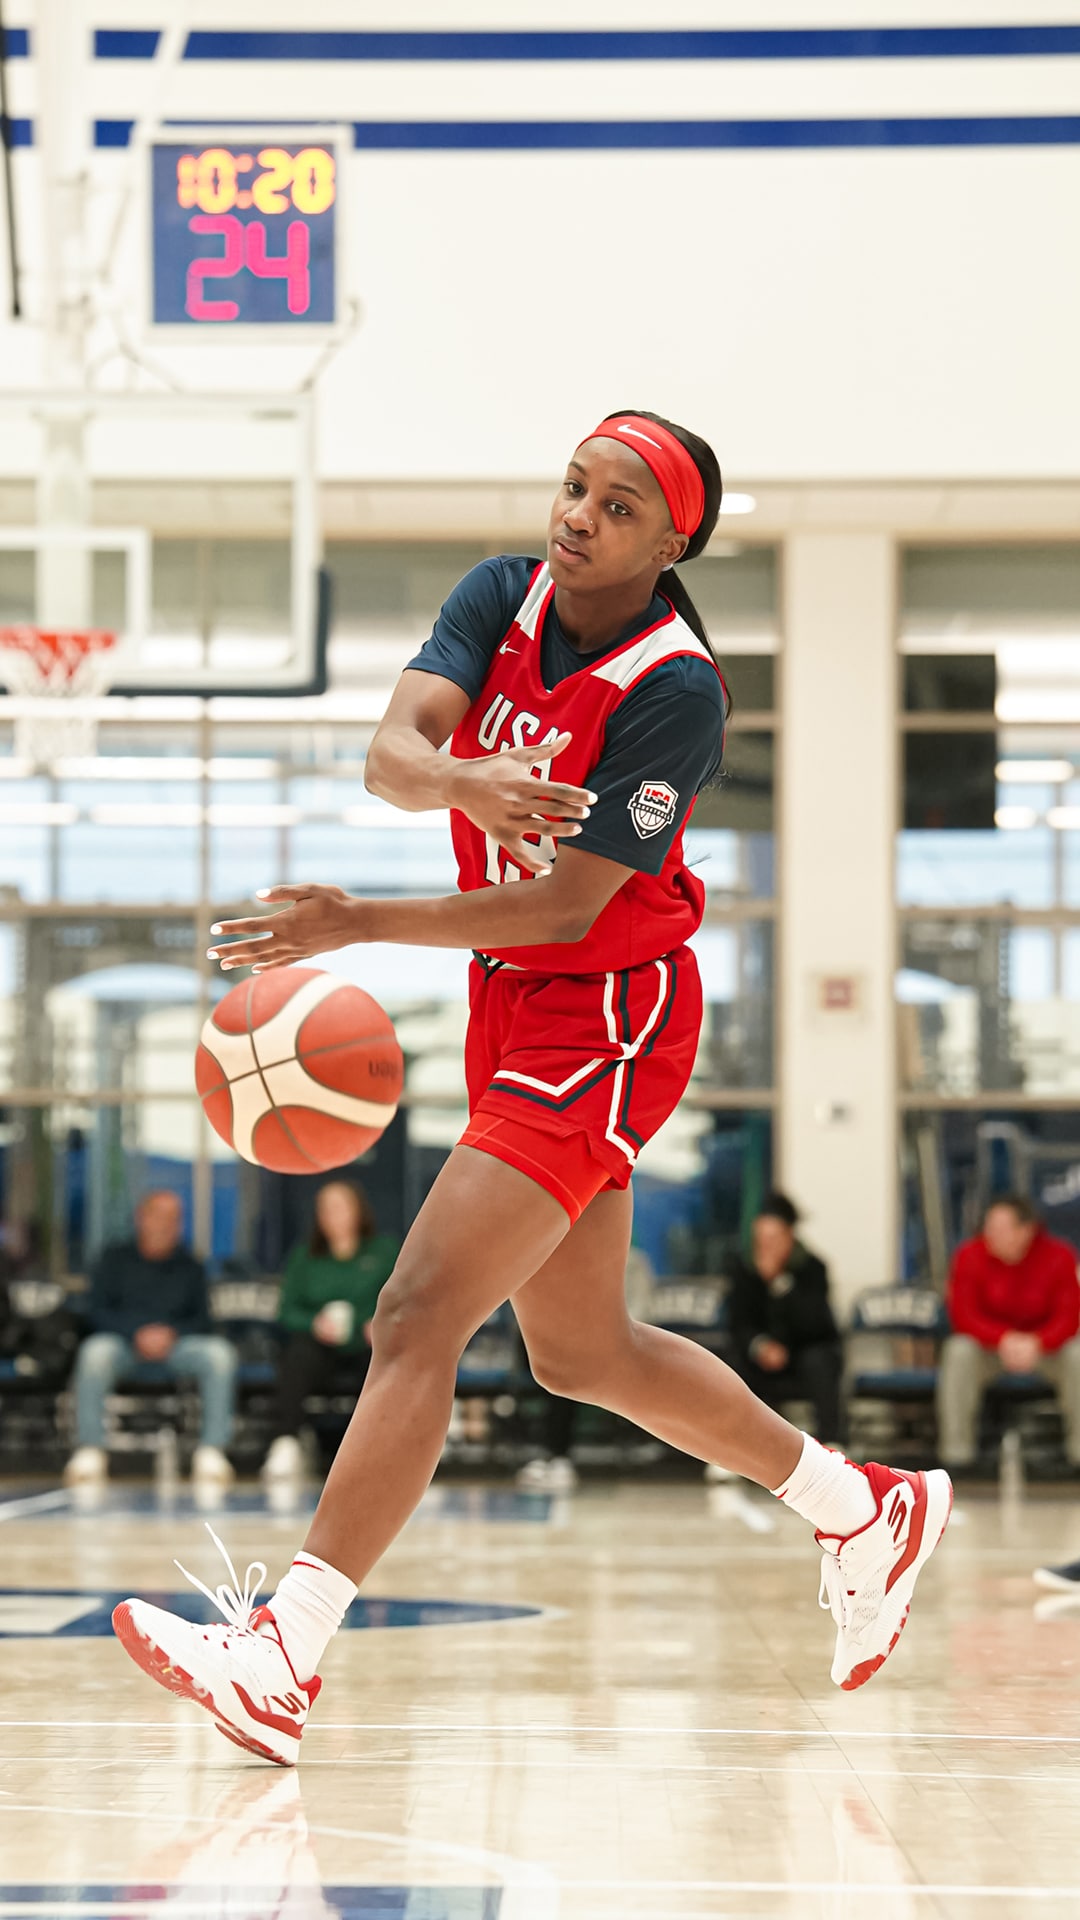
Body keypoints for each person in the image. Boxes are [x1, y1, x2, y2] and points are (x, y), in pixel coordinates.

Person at [112, 409, 952, 1765]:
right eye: (574, 486)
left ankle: (283, 1655)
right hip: (513, 1000)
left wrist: (359, 921)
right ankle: (862, 1508)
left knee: (416, 1311)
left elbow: (566, 909)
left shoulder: (675, 691)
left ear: (671, 545)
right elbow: (391, 754)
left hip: (609, 1009)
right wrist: (462, 781)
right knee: (582, 1353)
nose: (578, 516)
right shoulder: (501, 593)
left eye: (618, 508)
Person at [65, 1190, 237, 1488]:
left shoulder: (190, 1265)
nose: (167, 1225)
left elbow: (203, 1320)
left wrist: (172, 1334)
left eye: (175, 1219)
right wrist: (136, 1333)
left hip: (176, 1347)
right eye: (160, 1217)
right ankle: (90, 1449)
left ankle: (212, 1450)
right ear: (141, 1218)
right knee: (94, 1352)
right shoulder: (114, 1259)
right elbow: (95, 1313)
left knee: (219, 1355)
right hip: (124, 1345)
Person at [262, 1181, 399, 1482]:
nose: (331, 1215)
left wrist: (380, 1322)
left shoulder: (384, 1251)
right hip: (320, 1346)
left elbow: (403, 1298)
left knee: (386, 1360)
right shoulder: (305, 1256)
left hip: (366, 1344)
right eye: (324, 1209)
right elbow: (286, 1311)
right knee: (297, 1355)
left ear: (358, 1211)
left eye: (339, 1207)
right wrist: (314, 1323)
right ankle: (285, 1442)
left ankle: (382, 1449)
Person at [938, 1193, 1080, 1473]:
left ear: (1026, 1230)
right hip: (990, 1349)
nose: (991, 1235)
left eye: (1000, 1229)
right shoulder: (969, 1255)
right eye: (989, 1227)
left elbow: (1069, 1317)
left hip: (1045, 1350)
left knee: (1078, 1355)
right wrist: (1003, 1338)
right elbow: (963, 1315)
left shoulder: (1059, 1255)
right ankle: (957, 1457)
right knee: (958, 1351)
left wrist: (1038, 1342)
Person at [724, 1192, 843, 1447]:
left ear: (789, 1236)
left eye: (773, 1238)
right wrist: (760, 1345)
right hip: (761, 1356)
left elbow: (816, 1324)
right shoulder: (744, 1269)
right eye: (760, 1239)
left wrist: (780, 1283)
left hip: (802, 1352)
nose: (766, 1246)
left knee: (821, 1360)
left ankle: (832, 1441)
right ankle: (731, 1443)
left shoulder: (812, 1268)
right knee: (730, 1362)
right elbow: (738, 1322)